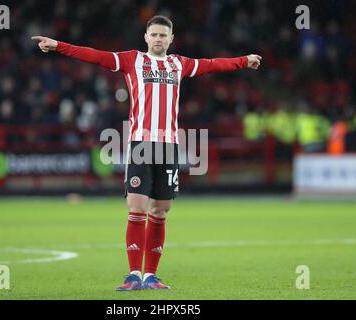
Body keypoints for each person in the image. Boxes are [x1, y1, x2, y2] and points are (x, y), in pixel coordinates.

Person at [32, 15, 261, 291]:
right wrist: (58, 45)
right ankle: (132, 275)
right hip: (141, 145)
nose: (158, 39)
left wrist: (244, 60)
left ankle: (151, 276)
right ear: (145, 37)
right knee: (136, 208)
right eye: (154, 35)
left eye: (163, 35)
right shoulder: (132, 60)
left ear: (171, 39)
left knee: (161, 212)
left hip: (169, 147)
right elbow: (95, 56)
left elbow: (213, 64)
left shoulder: (180, 64)